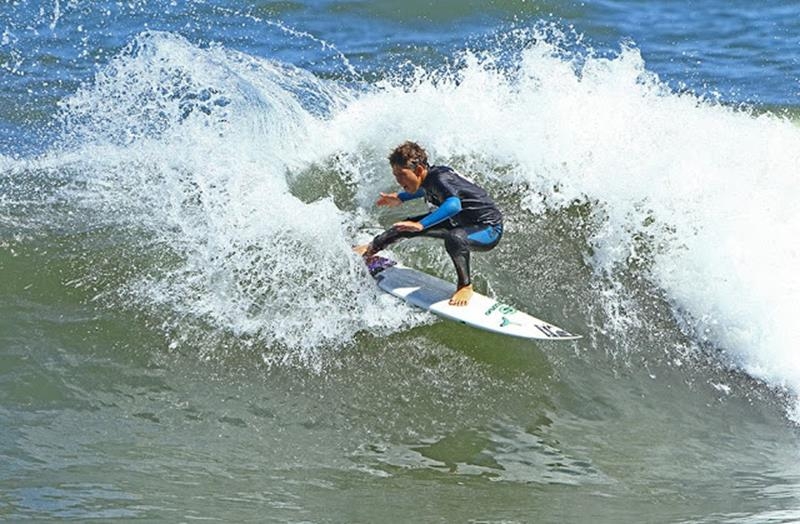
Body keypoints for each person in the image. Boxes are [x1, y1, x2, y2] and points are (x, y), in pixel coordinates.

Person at [354, 141, 503, 306]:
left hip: (487, 228)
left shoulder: (440, 178)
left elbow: (454, 205)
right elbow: (426, 189)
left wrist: (422, 225)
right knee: (405, 226)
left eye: (401, 175)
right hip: (459, 221)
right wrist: (400, 197)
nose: (398, 180)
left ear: (418, 170)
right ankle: (370, 250)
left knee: (455, 239)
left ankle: (465, 286)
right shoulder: (430, 177)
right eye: (395, 175)